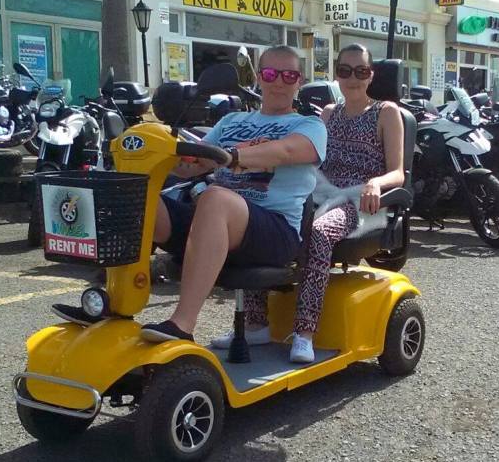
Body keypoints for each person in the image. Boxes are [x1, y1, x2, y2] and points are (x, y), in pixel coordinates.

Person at [52, 46, 327, 343]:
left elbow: (286, 151)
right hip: (214, 223)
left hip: (275, 232)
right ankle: (110, 305)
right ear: (259, 77)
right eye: (271, 74)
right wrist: (162, 150)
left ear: (299, 81)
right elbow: (192, 166)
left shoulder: (308, 125)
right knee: (135, 198)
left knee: (215, 197)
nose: (279, 82)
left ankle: (183, 324)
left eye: (289, 75)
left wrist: (234, 156)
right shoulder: (230, 122)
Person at [210, 43, 405, 363]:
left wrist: (374, 183)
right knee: (259, 216)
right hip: (320, 192)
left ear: (371, 75)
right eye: (345, 71)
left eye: (361, 71)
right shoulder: (328, 113)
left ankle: (304, 332)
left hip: (361, 202)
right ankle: (256, 322)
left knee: (318, 232)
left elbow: (398, 172)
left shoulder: (386, 112)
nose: (352, 78)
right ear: (336, 75)